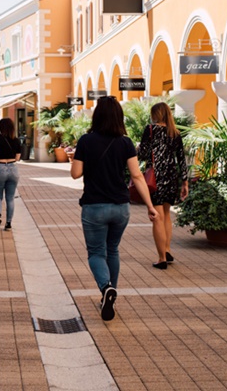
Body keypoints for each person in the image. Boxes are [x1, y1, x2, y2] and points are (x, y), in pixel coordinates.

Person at [71, 96, 162, 321]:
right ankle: (110, 294)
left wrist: (79, 158)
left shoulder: (85, 140)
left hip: (94, 206)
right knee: (112, 250)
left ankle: (106, 289)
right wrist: (150, 206)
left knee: (95, 253)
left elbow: (75, 174)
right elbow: (137, 176)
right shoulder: (125, 142)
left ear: (97, 115)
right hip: (121, 207)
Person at [138, 102, 189, 269]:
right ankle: (166, 249)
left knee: (157, 217)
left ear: (155, 114)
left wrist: (140, 147)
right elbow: (181, 158)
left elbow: (143, 154)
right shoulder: (174, 132)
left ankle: (161, 259)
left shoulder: (150, 130)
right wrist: (185, 182)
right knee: (166, 214)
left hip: (156, 177)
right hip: (171, 176)